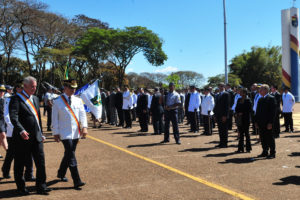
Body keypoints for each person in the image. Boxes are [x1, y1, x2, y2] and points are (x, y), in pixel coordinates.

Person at [9, 76, 50, 195]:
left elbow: (38, 119)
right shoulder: (16, 99)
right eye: (32, 86)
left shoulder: (36, 99)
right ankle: (21, 187)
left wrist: (41, 133)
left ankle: (41, 186)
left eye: (35, 86)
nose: (34, 88)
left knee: (40, 162)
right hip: (22, 138)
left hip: (36, 137)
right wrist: (21, 130)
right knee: (20, 163)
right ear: (25, 86)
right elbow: (14, 117)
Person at [52, 79, 88, 189]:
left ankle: (61, 173)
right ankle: (77, 180)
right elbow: (55, 119)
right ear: (65, 88)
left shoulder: (78, 100)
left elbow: (82, 115)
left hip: (76, 132)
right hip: (64, 132)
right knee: (71, 154)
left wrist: (85, 127)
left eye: (75, 88)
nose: (74, 90)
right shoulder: (57, 101)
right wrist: (55, 132)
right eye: (71, 88)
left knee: (68, 153)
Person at [2, 82, 34, 180]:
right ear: (17, 89)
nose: (22, 90)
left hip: (27, 130)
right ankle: (5, 169)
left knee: (29, 153)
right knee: (11, 153)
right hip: (14, 131)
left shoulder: (29, 98)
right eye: (20, 88)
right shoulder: (9, 99)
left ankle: (29, 173)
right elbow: (7, 116)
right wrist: (17, 128)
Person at [255, 84, 276, 159]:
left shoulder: (271, 98)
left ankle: (272, 152)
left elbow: (273, 112)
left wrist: (270, 122)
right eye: (259, 89)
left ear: (266, 90)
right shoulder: (260, 99)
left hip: (268, 122)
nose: (259, 90)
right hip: (261, 122)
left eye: (261, 89)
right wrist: (256, 121)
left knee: (270, 137)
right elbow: (257, 111)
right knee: (263, 137)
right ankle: (265, 151)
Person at [235, 88, 252, 153]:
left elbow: (249, 110)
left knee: (246, 133)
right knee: (240, 134)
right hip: (240, 119)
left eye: (241, 92)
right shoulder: (239, 99)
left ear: (245, 93)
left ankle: (248, 148)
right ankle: (240, 148)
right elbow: (236, 108)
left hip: (246, 119)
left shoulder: (248, 100)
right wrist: (237, 113)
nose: (240, 93)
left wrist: (243, 113)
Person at [213, 83, 230, 148]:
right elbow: (216, 106)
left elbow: (227, 106)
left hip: (224, 115)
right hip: (218, 114)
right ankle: (221, 142)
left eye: (222, 86)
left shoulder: (226, 94)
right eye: (220, 86)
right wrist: (215, 115)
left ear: (224, 87)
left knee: (224, 130)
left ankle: (225, 143)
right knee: (220, 129)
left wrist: (225, 115)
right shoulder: (217, 95)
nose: (221, 87)